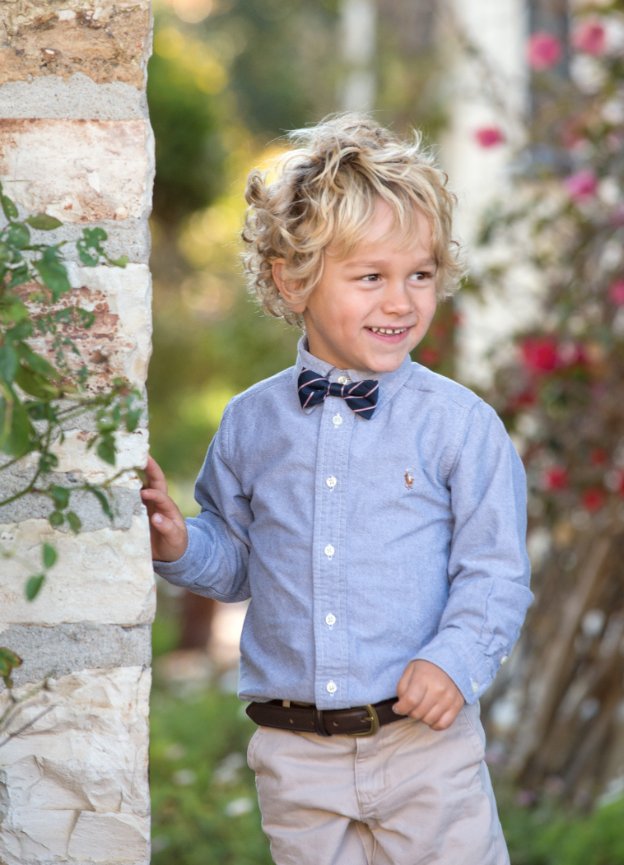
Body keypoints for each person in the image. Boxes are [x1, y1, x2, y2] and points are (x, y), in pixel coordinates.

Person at [141, 113, 532, 865]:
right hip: (297, 758)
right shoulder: (252, 423)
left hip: (425, 751)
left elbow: (495, 573)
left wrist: (453, 660)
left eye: (419, 274)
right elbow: (239, 562)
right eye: (370, 277)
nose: (401, 301)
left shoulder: (460, 426)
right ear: (293, 278)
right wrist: (183, 542)